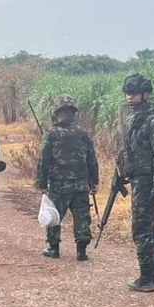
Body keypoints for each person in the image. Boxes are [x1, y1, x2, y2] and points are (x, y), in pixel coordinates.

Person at [118, 73, 154, 292]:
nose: (130, 97)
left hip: (148, 182)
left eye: (134, 93)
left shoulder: (153, 122)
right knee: (152, 228)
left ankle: (147, 277)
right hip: (139, 179)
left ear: (146, 95)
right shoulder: (136, 119)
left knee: (142, 229)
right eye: (128, 93)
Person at [36, 94, 99, 261]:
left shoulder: (51, 134)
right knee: (82, 216)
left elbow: (44, 160)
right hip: (81, 184)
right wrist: (94, 182)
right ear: (73, 113)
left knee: (54, 215)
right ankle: (81, 251)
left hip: (59, 184)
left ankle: (54, 248)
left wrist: (42, 183)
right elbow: (92, 159)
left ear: (57, 113)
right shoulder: (83, 133)